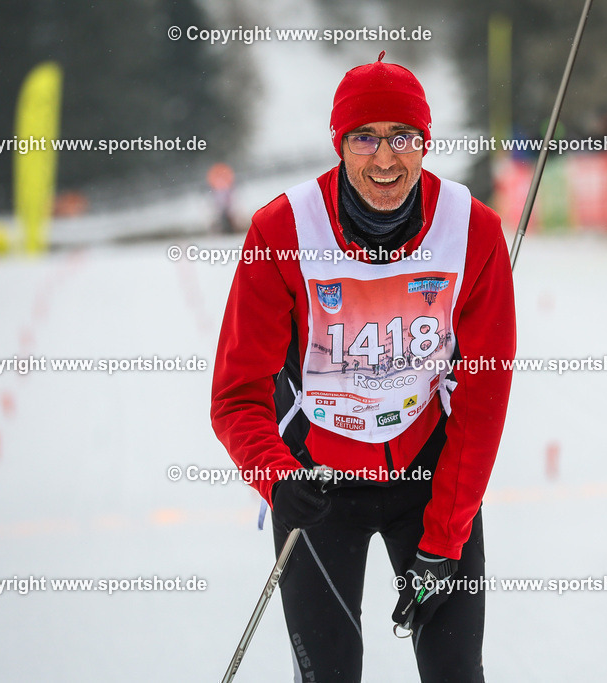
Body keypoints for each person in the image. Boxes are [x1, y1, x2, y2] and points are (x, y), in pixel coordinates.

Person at [211, 51, 515, 682]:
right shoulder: (282, 230)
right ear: (339, 145)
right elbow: (237, 394)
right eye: (365, 139)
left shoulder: (475, 232)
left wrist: (445, 538)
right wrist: (276, 478)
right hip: (318, 481)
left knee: (457, 673)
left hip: (430, 475)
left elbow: (484, 397)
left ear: (425, 143)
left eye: (403, 137)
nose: (385, 159)